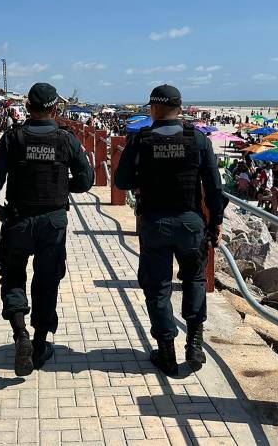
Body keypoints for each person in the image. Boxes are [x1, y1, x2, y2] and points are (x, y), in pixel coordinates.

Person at [0, 82, 94, 376]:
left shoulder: (13, 137)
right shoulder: (66, 139)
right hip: (53, 222)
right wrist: (63, 185)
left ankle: (20, 334)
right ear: (56, 108)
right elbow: (86, 180)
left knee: (13, 276)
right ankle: (39, 344)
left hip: (18, 221)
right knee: (47, 280)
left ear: (27, 107)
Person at [114, 84, 224, 376]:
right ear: (180, 108)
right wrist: (216, 221)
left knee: (158, 286)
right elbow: (214, 187)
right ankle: (195, 343)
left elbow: (122, 181)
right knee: (195, 280)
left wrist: (143, 178)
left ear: (152, 109)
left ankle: (166, 352)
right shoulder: (197, 139)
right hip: (190, 223)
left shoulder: (140, 140)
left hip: (155, 223)